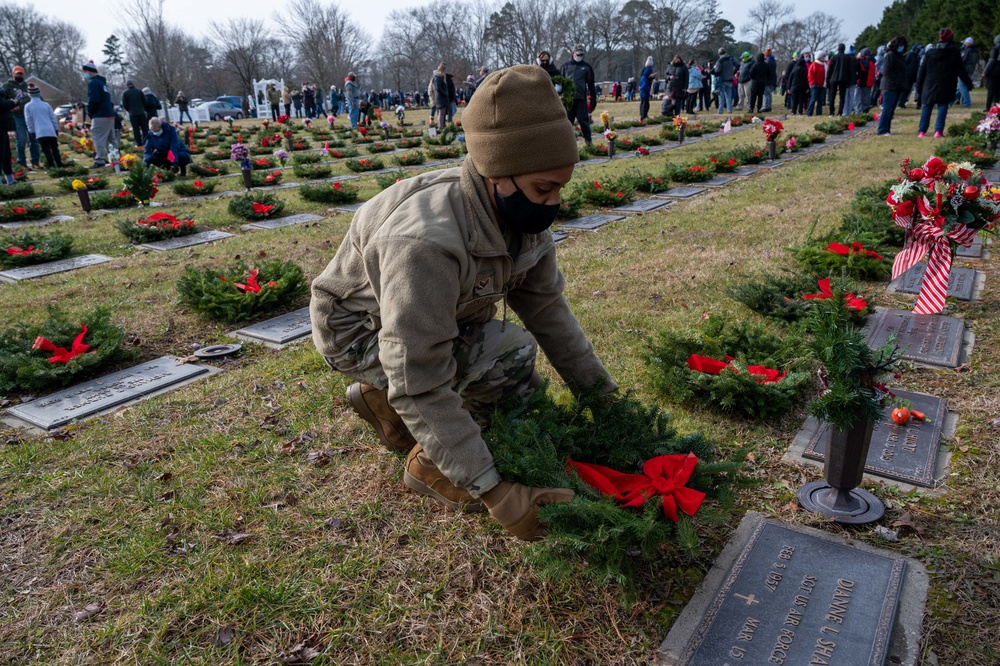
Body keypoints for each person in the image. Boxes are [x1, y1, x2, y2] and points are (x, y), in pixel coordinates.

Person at [310, 65, 615, 541]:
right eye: (544, 189)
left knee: (521, 389)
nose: (553, 203)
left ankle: (379, 401)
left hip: (431, 318)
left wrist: (605, 401)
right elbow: (418, 373)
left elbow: (548, 312)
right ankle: (429, 468)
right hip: (359, 328)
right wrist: (492, 490)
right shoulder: (424, 242)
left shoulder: (521, 219)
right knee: (506, 356)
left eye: (561, 188)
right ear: (497, 172)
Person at [916, 29, 974, 138]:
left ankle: (922, 131)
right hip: (946, 83)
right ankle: (938, 131)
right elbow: (961, 69)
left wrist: (919, 86)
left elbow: (922, 71)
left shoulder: (930, 52)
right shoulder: (954, 52)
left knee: (927, 106)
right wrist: (968, 83)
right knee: (942, 106)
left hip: (929, 83)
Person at [3, 66, 40, 169]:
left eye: (21, 74)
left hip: (30, 117)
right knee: (21, 140)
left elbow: (37, 98)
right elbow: (3, 102)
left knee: (34, 140)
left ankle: (35, 162)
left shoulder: (27, 86)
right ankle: (22, 163)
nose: (19, 75)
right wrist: (11, 107)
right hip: (17, 117)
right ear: (13, 74)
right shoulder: (6, 86)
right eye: (17, 73)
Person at [561, 45, 597, 145]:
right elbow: (560, 83)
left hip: (581, 99)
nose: (580, 56)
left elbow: (591, 83)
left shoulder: (587, 67)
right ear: (573, 53)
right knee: (568, 122)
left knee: (583, 120)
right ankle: (566, 144)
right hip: (568, 100)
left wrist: (593, 98)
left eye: (582, 55)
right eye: (578, 54)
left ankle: (588, 143)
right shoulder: (565, 66)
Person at [24, 83, 63, 169]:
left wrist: (31, 131)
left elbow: (29, 120)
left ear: (29, 94)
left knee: (46, 150)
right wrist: (56, 128)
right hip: (50, 130)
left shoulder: (28, 106)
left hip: (40, 131)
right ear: (39, 93)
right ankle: (59, 164)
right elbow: (53, 118)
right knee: (55, 148)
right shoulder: (46, 104)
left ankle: (51, 166)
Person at [83, 61, 114, 168]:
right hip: (109, 114)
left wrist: (90, 111)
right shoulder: (103, 84)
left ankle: (99, 159)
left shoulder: (94, 83)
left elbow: (94, 99)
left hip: (100, 114)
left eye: (85, 72)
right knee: (111, 139)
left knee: (98, 137)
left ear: (89, 71)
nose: (85, 74)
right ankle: (114, 158)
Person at [877, 36, 909, 136]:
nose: (901, 47)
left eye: (903, 45)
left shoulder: (899, 56)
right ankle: (882, 130)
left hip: (896, 86)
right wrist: (897, 81)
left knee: (891, 110)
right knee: (887, 109)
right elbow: (886, 71)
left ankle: (887, 129)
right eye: (900, 45)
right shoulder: (890, 55)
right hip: (889, 86)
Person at [0, 85, 20, 183]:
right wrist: (12, 102)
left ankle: (10, 179)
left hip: (3, 129)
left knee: (6, 155)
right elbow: (2, 106)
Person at [827, 44, 853, 116]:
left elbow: (830, 69)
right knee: (842, 96)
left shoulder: (833, 57)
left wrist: (828, 79)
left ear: (838, 49)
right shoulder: (847, 57)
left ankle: (831, 112)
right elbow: (850, 70)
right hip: (843, 78)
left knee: (832, 96)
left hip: (833, 78)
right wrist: (849, 80)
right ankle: (840, 112)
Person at [121, 80, 147, 147]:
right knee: (144, 128)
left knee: (136, 129)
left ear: (127, 85)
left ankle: (138, 143)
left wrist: (129, 110)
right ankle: (146, 141)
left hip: (133, 113)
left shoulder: (125, 93)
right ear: (133, 84)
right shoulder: (139, 91)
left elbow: (125, 105)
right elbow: (144, 102)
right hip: (141, 112)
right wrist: (143, 108)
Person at [713, 48, 736, 115]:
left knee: (721, 96)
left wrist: (714, 71)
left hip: (722, 80)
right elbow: (738, 64)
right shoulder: (731, 58)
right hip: (729, 79)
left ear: (719, 53)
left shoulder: (720, 60)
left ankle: (720, 111)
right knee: (729, 96)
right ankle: (729, 110)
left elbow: (717, 70)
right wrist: (733, 72)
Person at [854, 48, 875, 113]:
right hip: (868, 82)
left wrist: (859, 59)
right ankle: (865, 109)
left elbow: (864, 68)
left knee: (862, 97)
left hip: (865, 82)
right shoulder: (871, 60)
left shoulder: (866, 61)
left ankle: (863, 110)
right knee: (866, 96)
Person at [807, 51, 826, 116]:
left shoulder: (824, 65)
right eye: (822, 57)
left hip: (822, 85)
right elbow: (810, 75)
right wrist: (813, 82)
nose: (824, 58)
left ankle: (819, 113)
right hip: (815, 85)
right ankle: (809, 113)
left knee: (820, 100)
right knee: (813, 99)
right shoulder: (814, 64)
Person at [638, 56, 656, 121]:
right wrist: (652, 77)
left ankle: (643, 115)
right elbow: (648, 79)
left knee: (643, 102)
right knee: (645, 103)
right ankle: (643, 116)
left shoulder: (643, 73)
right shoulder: (648, 70)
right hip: (645, 89)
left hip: (643, 88)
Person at [985, 35, 1000, 110]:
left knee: (990, 90)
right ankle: (996, 107)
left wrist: (985, 71)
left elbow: (991, 60)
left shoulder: (995, 49)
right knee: (998, 91)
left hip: (993, 72)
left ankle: (988, 107)